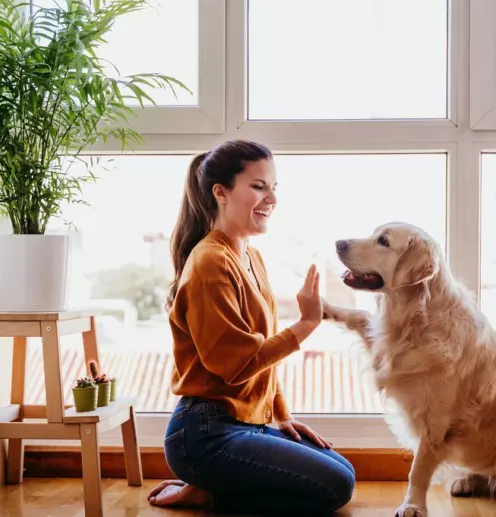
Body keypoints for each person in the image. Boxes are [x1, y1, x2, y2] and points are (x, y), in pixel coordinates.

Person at [147, 140, 356, 515]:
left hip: (246, 422)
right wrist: (307, 323)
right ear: (221, 193)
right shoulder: (210, 263)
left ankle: (212, 487)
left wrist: (282, 414)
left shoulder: (249, 256)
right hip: (204, 433)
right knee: (335, 486)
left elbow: (261, 360)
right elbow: (234, 365)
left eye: (274, 187)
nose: (271, 198)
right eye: (259, 186)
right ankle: (208, 493)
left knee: (343, 470)